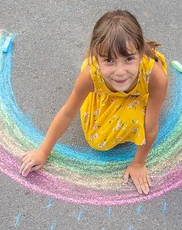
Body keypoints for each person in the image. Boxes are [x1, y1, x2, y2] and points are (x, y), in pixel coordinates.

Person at [19, 10, 168, 195]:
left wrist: (139, 163)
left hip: (138, 94)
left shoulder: (155, 77)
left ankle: (123, 91)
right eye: (109, 60)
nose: (120, 71)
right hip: (102, 83)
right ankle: (107, 77)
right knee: (97, 139)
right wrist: (43, 150)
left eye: (129, 58)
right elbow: (67, 112)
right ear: (96, 58)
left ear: (140, 53)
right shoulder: (90, 75)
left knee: (126, 124)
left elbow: (151, 126)